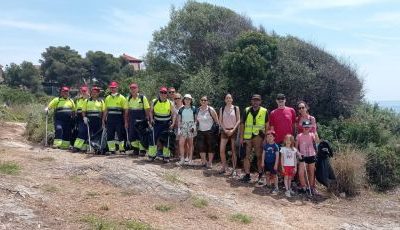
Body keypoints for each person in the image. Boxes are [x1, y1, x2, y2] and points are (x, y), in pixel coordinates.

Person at [239, 94, 268, 183]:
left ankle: (260, 175)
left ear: (260, 101)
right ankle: (247, 175)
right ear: (251, 101)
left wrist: (265, 138)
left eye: (257, 100)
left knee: (259, 156)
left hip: (258, 137)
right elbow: (242, 124)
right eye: (254, 100)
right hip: (247, 137)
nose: (255, 102)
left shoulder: (264, 111)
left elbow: (267, 126)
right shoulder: (246, 110)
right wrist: (241, 137)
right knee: (246, 156)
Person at [149, 86, 176, 162]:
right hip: (156, 123)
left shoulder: (170, 103)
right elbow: (151, 111)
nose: (163, 94)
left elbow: (174, 114)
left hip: (166, 124)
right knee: (153, 139)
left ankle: (166, 157)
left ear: (166, 94)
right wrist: (151, 119)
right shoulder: (154, 101)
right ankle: (152, 155)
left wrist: (173, 123)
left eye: (164, 93)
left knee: (167, 140)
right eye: (161, 92)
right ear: (159, 93)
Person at [124, 83, 150, 156]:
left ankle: (142, 150)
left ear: (137, 89)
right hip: (132, 119)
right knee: (132, 134)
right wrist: (126, 122)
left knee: (142, 134)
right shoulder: (128, 98)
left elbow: (147, 109)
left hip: (141, 119)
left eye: (134, 88)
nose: (133, 90)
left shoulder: (142, 97)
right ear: (130, 90)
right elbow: (126, 112)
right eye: (131, 88)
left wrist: (147, 119)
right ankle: (135, 150)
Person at [102, 81, 128, 154]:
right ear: (110, 88)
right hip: (110, 119)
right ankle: (112, 150)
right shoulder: (107, 98)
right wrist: (103, 120)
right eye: (111, 88)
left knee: (120, 134)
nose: (113, 89)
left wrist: (125, 121)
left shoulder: (122, 98)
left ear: (117, 88)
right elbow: (106, 110)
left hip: (119, 118)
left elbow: (125, 110)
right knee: (110, 134)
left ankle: (122, 149)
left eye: (114, 87)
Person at [218, 93, 240, 176]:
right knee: (221, 150)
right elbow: (220, 121)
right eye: (227, 98)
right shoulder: (222, 108)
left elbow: (238, 120)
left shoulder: (236, 108)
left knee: (234, 150)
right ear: (225, 100)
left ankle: (234, 169)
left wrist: (233, 130)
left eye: (229, 98)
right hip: (224, 131)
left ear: (232, 99)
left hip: (233, 130)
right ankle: (224, 167)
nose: (228, 99)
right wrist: (225, 130)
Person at [296, 120, 320, 195]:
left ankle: (311, 188)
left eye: (308, 127)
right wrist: (298, 154)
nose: (306, 128)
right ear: (302, 127)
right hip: (303, 156)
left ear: (310, 127)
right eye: (305, 127)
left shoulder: (312, 134)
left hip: (311, 155)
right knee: (300, 173)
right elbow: (295, 148)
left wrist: (316, 134)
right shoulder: (299, 136)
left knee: (311, 172)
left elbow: (317, 142)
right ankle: (304, 187)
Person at [196, 96, 219, 168]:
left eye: (205, 100)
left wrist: (216, 130)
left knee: (211, 147)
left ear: (207, 101)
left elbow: (216, 120)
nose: (203, 101)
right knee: (201, 146)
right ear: (200, 101)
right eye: (202, 100)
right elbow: (196, 120)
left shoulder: (210, 109)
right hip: (200, 130)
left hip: (210, 131)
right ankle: (204, 161)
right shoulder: (198, 110)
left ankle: (210, 162)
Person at [82, 86, 105, 152]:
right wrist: (84, 117)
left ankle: (97, 148)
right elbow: (83, 111)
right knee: (89, 134)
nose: (94, 93)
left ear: (98, 93)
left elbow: (104, 111)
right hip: (89, 120)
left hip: (98, 120)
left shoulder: (101, 101)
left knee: (98, 134)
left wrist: (103, 120)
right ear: (91, 93)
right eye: (93, 92)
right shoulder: (87, 101)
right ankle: (88, 148)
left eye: (96, 92)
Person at [176, 94, 197, 166]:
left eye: (189, 99)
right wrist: (179, 129)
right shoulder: (181, 109)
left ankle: (190, 160)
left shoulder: (194, 108)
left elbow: (195, 119)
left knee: (190, 144)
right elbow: (179, 120)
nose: (187, 100)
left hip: (191, 126)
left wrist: (194, 126)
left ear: (191, 100)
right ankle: (182, 159)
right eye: (186, 99)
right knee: (181, 143)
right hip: (183, 126)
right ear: (184, 100)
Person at [72, 86, 90, 152]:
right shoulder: (78, 100)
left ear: (87, 91)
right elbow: (77, 109)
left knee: (86, 132)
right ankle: (78, 147)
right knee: (82, 131)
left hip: (87, 116)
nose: (83, 92)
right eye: (82, 91)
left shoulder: (90, 99)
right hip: (79, 117)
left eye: (85, 91)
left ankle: (82, 147)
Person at [173, 93, 184, 157]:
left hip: (183, 127)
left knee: (183, 143)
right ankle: (178, 155)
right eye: (175, 98)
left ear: (181, 99)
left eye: (178, 98)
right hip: (176, 127)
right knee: (177, 142)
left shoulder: (184, 107)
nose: (177, 100)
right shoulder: (174, 107)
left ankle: (185, 157)